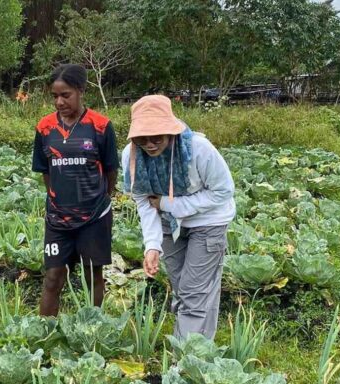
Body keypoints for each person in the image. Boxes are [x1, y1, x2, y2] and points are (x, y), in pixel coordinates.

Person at [122, 95, 235, 339]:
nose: (150, 144)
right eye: (142, 139)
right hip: (169, 223)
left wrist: (169, 203)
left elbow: (223, 191)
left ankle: (184, 362)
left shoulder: (198, 149)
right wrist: (152, 245)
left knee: (195, 291)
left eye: (157, 137)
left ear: (171, 132)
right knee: (184, 289)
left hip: (208, 221)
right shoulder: (131, 156)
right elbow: (144, 199)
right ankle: (199, 344)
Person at [32, 64, 119, 316]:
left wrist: (99, 198)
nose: (59, 102)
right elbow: (45, 170)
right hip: (58, 218)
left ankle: (93, 329)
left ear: (81, 90)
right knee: (52, 277)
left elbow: (111, 170)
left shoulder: (101, 126)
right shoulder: (45, 128)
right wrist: (57, 198)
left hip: (94, 217)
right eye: (54, 96)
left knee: (93, 275)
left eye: (66, 95)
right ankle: (45, 332)